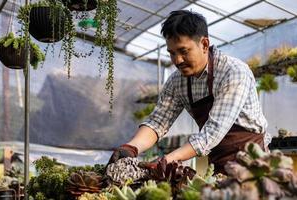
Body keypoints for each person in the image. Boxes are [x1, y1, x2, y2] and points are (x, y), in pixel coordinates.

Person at [107, 10, 271, 174]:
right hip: (219, 162)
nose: (177, 60)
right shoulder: (177, 81)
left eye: (184, 51)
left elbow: (213, 131)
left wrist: (166, 160)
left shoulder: (234, 72)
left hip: (254, 162)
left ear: (204, 44)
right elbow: (158, 122)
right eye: (172, 53)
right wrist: (131, 147)